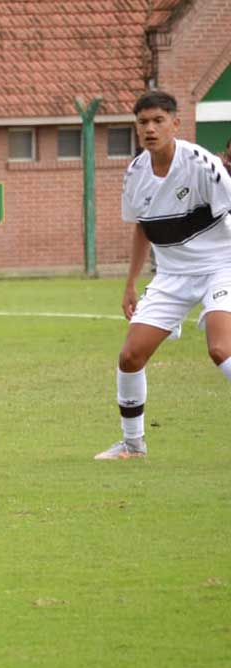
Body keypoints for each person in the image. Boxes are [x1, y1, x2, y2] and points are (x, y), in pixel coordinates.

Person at [95, 90, 231, 460]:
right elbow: (142, 227)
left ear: (176, 123)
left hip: (222, 266)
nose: (150, 129)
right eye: (143, 122)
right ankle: (133, 445)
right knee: (130, 357)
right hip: (172, 274)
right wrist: (129, 283)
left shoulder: (202, 165)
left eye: (158, 121)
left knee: (220, 349)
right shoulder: (136, 172)